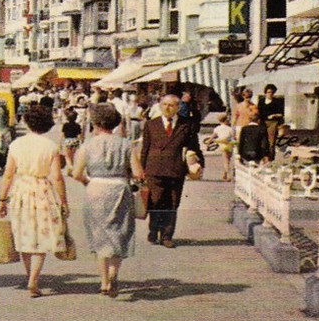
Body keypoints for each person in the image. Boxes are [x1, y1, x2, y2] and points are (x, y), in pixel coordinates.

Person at [0, 104, 69, 298]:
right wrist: (63, 201)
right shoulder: (51, 146)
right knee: (42, 237)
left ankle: (30, 275)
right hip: (43, 191)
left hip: (21, 191)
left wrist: (2, 199)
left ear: (27, 122)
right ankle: (33, 279)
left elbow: (8, 175)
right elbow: (57, 177)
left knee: (24, 234)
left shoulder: (16, 145)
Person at [73, 103, 144, 298]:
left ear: (95, 123)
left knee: (99, 234)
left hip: (96, 188)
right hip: (120, 188)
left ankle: (104, 282)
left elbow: (76, 173)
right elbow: (138, 173)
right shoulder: (126, 144)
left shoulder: (87, 145)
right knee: (119, 232)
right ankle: (114, 274)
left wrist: (88, 181)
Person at [139, 91, 203, 247]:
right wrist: (141, 170)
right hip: (154, 169)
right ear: (160, 106)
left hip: (176, 169)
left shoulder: (186, 125)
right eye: (165, 105)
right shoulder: (151, 124)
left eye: (171, 105)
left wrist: (199, 164)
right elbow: (145, 149)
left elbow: (194, 146)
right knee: (155, 202)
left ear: (177, 107)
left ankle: (167, 236)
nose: (168, 108)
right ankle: (154, 230)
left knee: (173, 203)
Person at [232, 88, 263, 164]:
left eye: (249, 97)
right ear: (243, 97)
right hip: (240, 125)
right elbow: (235, 116)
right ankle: (240, 155)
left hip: (249, 126)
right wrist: (233, 126)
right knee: (239, 141)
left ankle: (248, 157)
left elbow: (256, 116)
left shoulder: (253, 106)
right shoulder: (239, 106)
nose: (247, 99)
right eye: (246, 97)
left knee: (249, 142)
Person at [257, 84, 285, 161]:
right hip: (263, 122)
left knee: (271, 141)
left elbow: (281, 114)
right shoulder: (261, 101)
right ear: (265, 92)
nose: (270, 94)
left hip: (272, 122)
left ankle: (271, 157)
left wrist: (274, 115)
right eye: (268, 92)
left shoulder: (277, 101)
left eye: (272, 92)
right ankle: (263, 157)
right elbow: (259, 112)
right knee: (263, 140)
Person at [211, 113, 235, 180]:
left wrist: (209, 142)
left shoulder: (217, 128)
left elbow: (212, 137)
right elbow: (234, 137)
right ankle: (225, 174)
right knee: (228, 160)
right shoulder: (230, 129)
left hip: (222, 145)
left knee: (225, 161)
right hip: (229, 145)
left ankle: (229, 175)